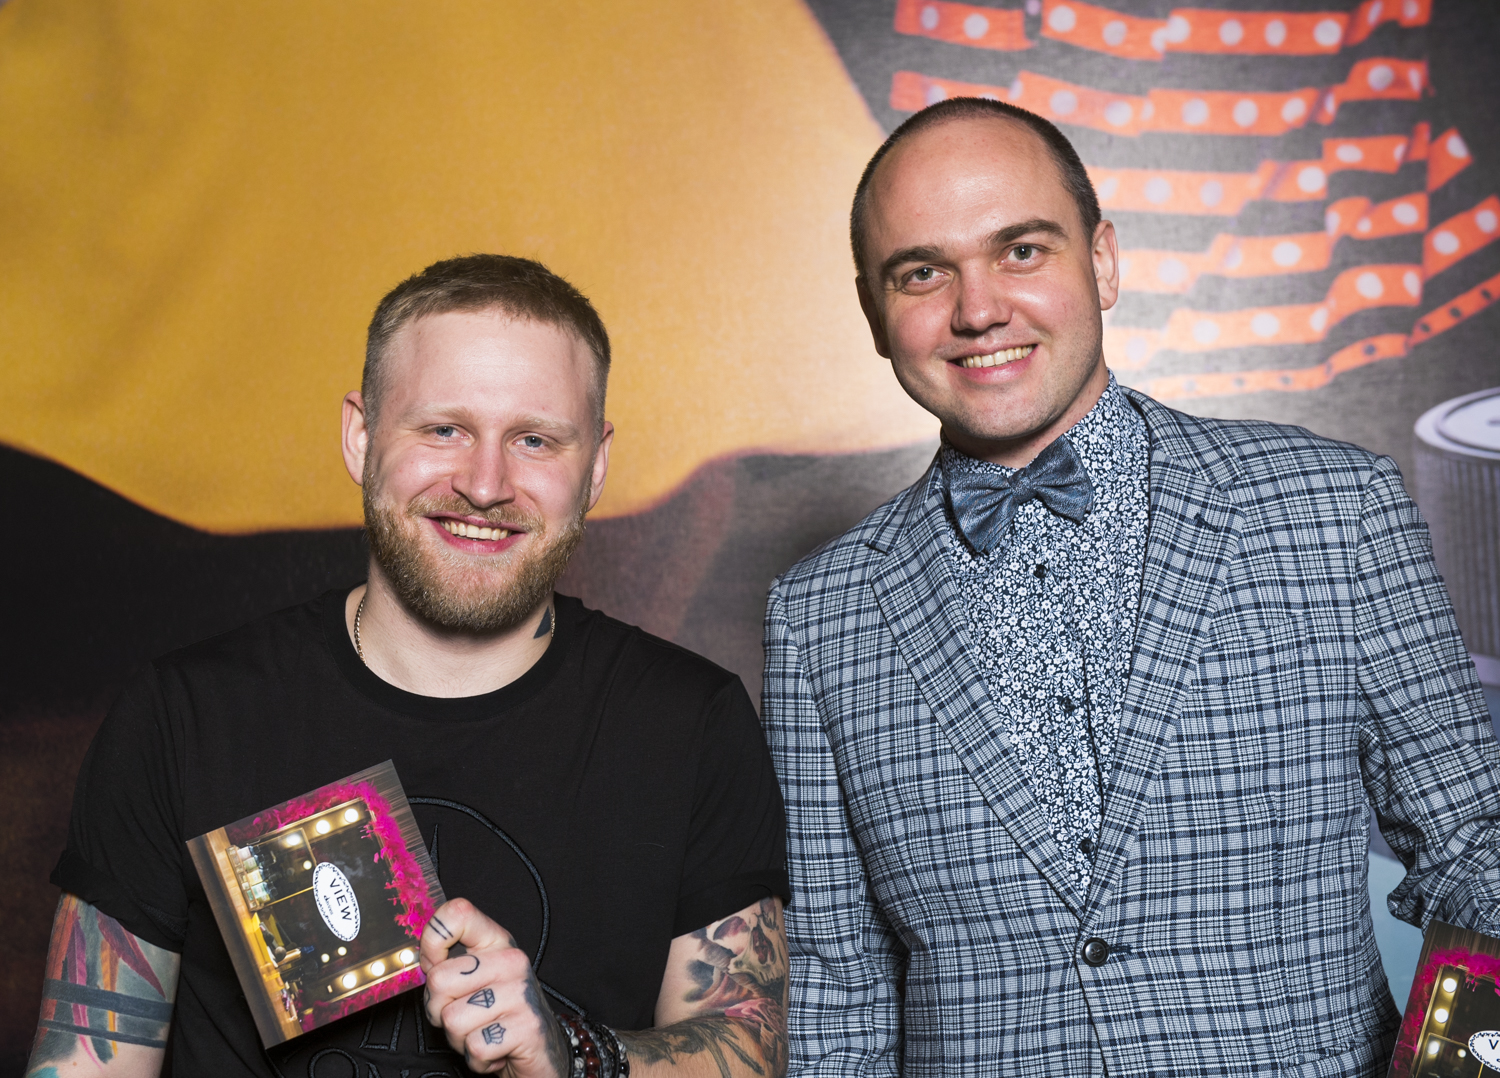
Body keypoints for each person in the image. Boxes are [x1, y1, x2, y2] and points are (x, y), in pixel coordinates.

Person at [761, 97, 1500, 1076]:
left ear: (1102, 262)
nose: (978, 309)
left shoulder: (1334, 508)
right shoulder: (817, 616)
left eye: (1021, 250)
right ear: (874, 312)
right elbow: (838, 995)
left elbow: (1475, 853)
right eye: (924, 272)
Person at [26, 255, 790, 1078]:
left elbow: (745, 1042)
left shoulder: (690, 722)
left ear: (595, 466)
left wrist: (571, 1054)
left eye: (534, 440)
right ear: (361, 438)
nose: (485, 485)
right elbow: (86, 1062)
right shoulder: (185, 716)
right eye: (443, 430)